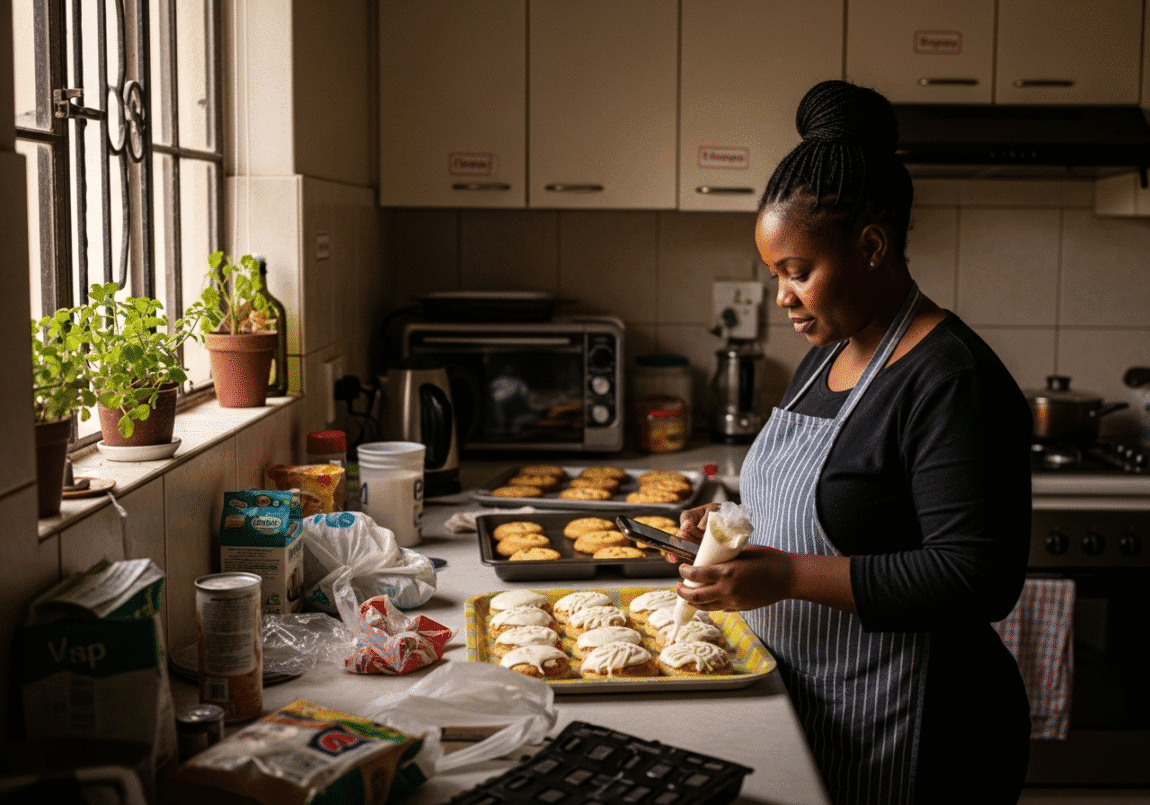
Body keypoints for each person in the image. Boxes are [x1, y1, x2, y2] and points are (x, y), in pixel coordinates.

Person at [673, 80, 1033, 805]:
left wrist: (787, 577)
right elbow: (820, 507)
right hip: (815, 702)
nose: (782, 297)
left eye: (798, 272)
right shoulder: (826, 355)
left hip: (923, 732)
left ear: (870, 246)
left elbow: (978, 577)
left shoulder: (950, 376)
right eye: (775, 275)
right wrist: (725, 534)